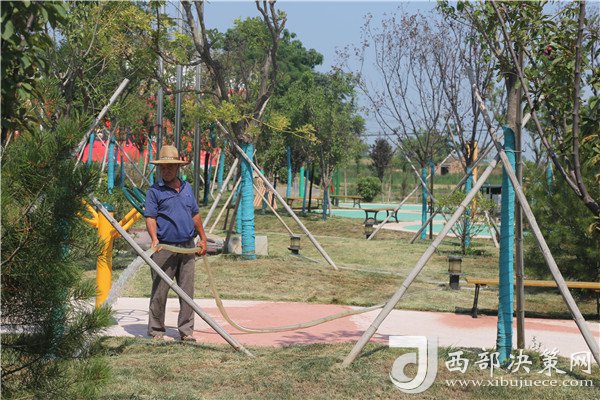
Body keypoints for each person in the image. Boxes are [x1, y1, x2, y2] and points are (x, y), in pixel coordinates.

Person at [144, 145, 207, 341]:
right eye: (163, 167)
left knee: (187, 291)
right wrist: (154, 239)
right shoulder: (155, 191)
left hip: (188, 246)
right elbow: (150, 217)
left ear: (178, 167)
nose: (166, 170)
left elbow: (195, 214)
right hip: (164, 248)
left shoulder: (187, 188)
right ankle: (156, 331)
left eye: (170, 166)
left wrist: (203, 238)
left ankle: (186, 332)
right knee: (160, 290)